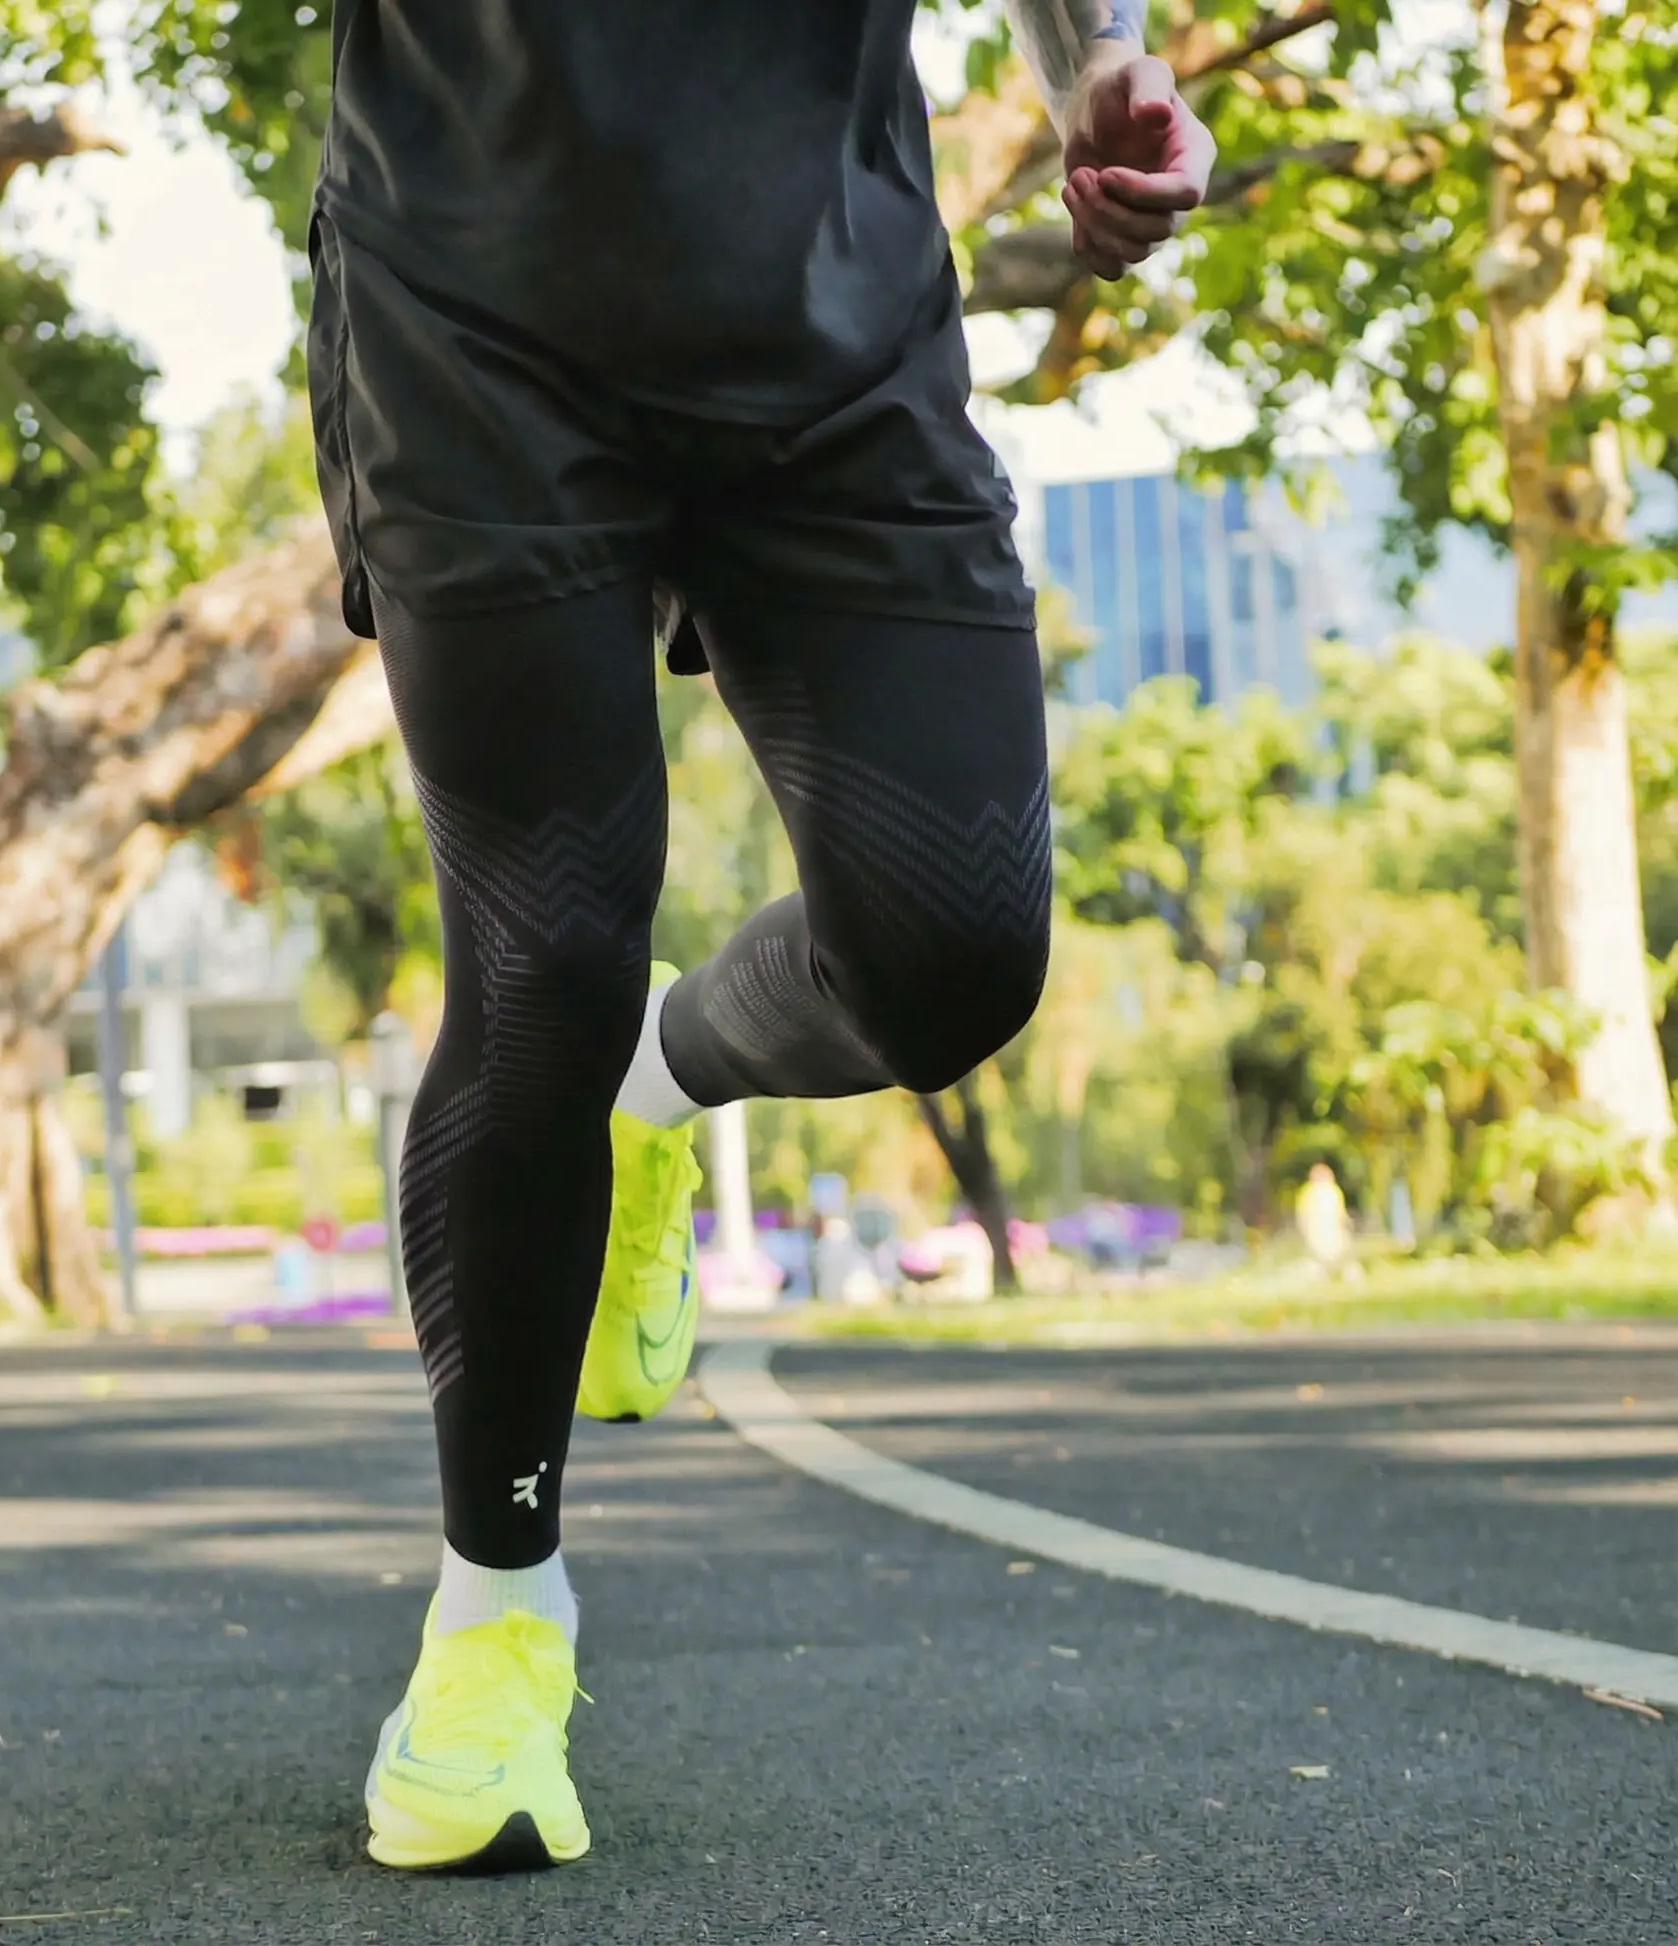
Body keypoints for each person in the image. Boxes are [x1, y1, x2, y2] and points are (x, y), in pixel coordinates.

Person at [307, 0, 1217, 1873]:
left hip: (836, 326)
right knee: (541, 961)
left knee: (954, 958)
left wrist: (1096, 68)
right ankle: (496, 1620)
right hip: (474, 311)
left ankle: (660, 1073)